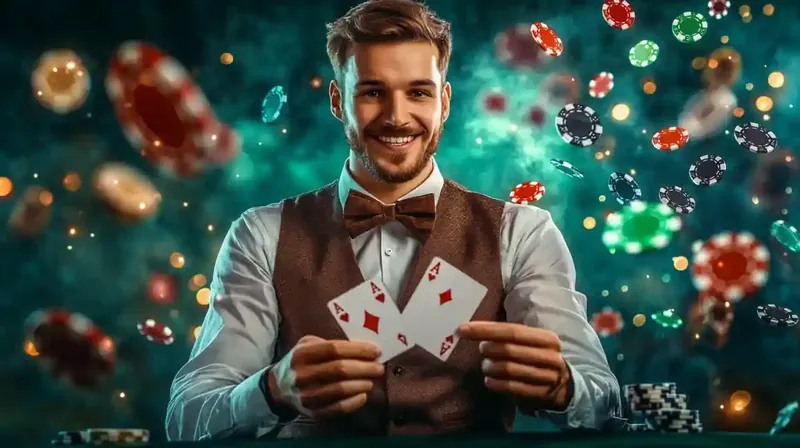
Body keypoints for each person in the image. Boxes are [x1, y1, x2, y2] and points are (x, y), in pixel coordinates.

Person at [165, 0, 622, 440]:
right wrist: (271, 392)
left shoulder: (522, 233)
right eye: (372, 92)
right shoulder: (261, 234)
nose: (397, 117)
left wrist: (564, 388)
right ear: (337, 101)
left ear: (444, 102)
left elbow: (605, 401)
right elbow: (186, 415)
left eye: (418, 92)